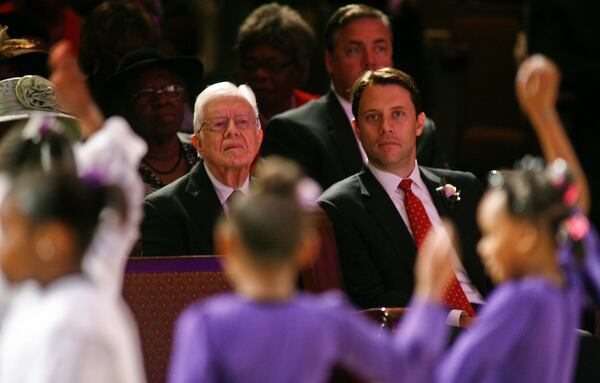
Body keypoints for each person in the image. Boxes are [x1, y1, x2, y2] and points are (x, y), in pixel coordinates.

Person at [167, 156, 454, 383]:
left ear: (227, 244)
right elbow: (404, 368)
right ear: (308, 248)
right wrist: (428, 292)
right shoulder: (327, 318)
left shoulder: (206, 323)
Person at [421, 54, 600, 383]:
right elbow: (573, 203)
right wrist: (544, 114)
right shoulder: (564, 280)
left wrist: (429, 299)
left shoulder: (518, 299)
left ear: (526, 237)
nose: (484, 247)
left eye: (491, 233)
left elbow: (451, 376)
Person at [0, 41, 147, 382]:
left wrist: (87, 115)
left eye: (10, 233)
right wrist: (87, 115)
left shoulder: (75, 321)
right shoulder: (45, 275)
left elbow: (117, 184)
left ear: (52, 239)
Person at [319, 67, 491, 315]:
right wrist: (456, 319)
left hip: (493, 320)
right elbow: (372, 297)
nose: (385, 127)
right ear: (357, 129)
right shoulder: (341, 207)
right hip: (427, 332)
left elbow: (499, 271)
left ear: (419, 123)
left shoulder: (465, 186)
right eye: (372, 117)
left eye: (397, 114)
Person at [261, 3, 445, 190]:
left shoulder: (422, 131)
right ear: (330, 61)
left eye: (380, 48)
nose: (370, 61)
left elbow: (444, 201)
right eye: (354, 50)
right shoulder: (294, 132)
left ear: (391, 56)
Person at [141, 81, 263, 256]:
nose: (232, 131)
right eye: (219, 124)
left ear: (259, 137)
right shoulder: (163, 209)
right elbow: (166, 282)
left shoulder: (279, 203)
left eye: (243, 122)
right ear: (198, 143)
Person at [102, 47, 203, 196]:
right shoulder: (116, 169)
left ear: (184, 97)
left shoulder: (204, 152)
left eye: (171, 89)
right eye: (145, 93)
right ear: (124, 106)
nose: (161, 100)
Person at [236, 2, 318, 126]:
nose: (260, 74)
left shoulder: (319, 114)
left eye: (272, 66)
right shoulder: (226, 117)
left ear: (299, 68)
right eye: (251, 63)